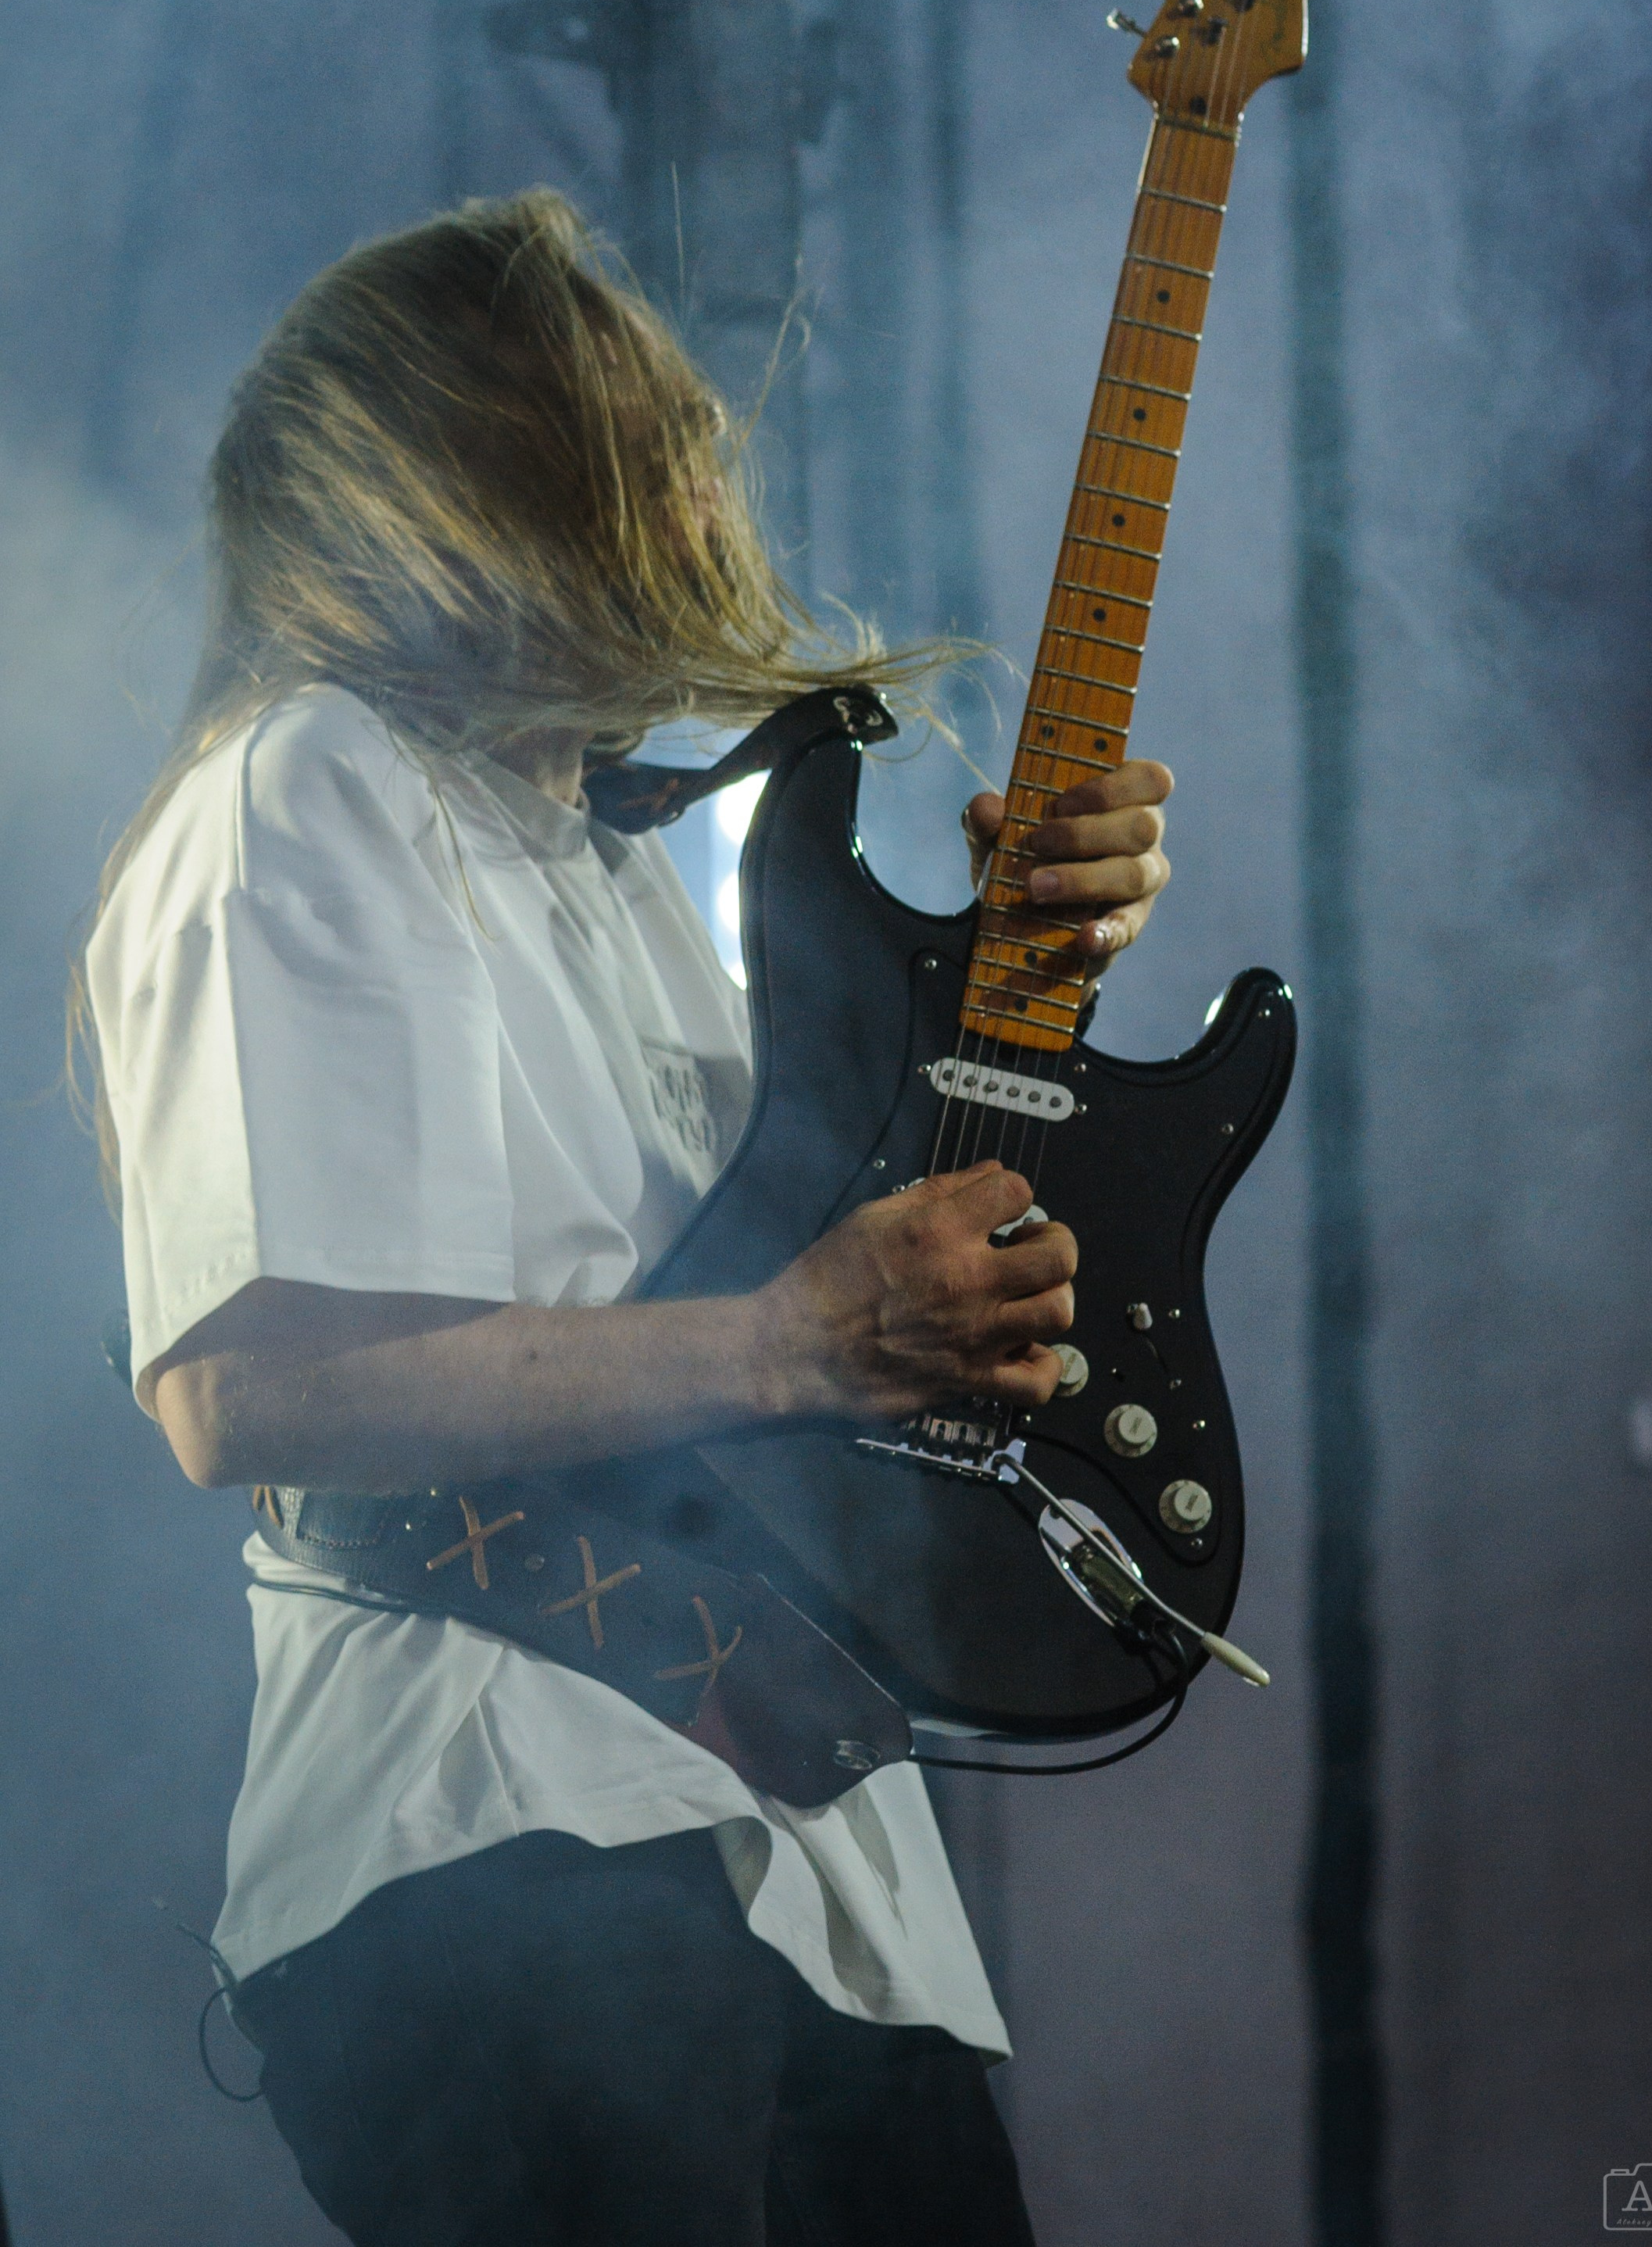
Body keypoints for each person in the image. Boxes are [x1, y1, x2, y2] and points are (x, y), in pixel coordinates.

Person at [78, 189, 1173, 2246]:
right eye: (637, 436)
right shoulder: (310, 784)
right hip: (510, 1829)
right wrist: (794, 1343)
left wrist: (1028, 971)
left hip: (819, 1863)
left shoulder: (615, 861)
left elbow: (846, 1262)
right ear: (463, 473)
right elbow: (244, 1390)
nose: (702, 472)